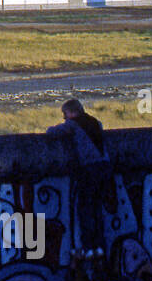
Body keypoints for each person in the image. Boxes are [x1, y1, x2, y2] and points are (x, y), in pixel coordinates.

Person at [46, 99, 114, 261]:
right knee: (97, 209)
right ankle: (100, 247)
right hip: (104, 168)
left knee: (85, 209)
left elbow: (52, 133)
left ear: (71, 112)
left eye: (65, 114)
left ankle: (88, 247)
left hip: (89, 169)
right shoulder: (95, 123)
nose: (64, 118)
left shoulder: (73, 124)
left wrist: (52, 127)